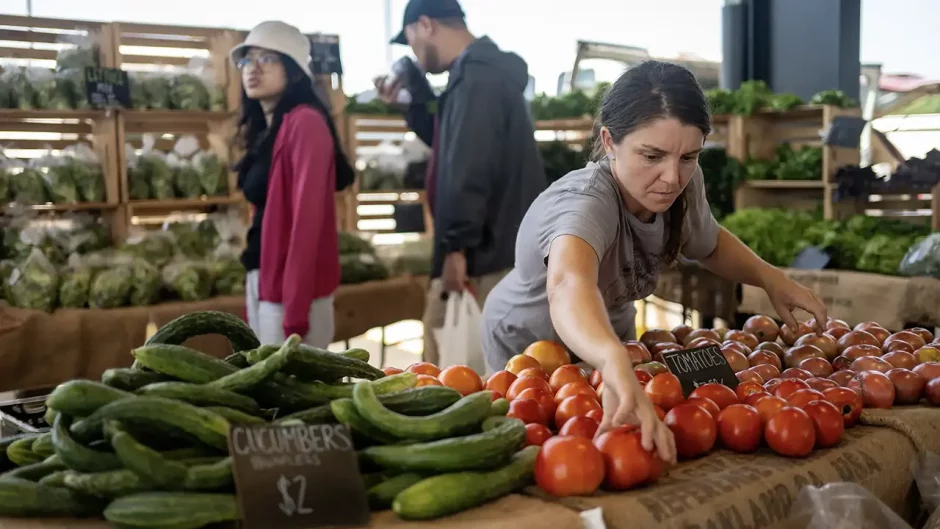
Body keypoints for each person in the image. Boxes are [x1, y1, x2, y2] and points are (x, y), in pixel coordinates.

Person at [480, 61, 828, 463]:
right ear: (610, 142)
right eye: (652, 156)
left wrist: (770, 279)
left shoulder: (682, 181)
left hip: (608, 337)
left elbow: (709, 244)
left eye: (689, 157)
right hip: (529, 345)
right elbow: (568, 284)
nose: (671, 177)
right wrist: (611, 360)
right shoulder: (585, 202)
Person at [374, 0, 546, 367]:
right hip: (495, 249)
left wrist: (455, 249)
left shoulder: (477, 80)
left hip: (483, 256)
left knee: (450, 375)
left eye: (411, 41)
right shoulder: (477, 75)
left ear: (425, 25)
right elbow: (449, 144)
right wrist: (410, 105)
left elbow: (469, 168)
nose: (416, 57)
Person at [231, 21, 354, 347]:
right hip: (268, 284)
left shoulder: (306, 123)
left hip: (292, 296)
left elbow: (307, 221)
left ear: (294, 71)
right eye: (246, 60)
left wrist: (295, 312)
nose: (252, 69)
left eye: (266, 59)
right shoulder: (269, 129)